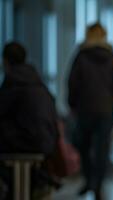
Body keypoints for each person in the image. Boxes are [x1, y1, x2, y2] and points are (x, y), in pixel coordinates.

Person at [68, 23, 113, 200]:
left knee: (83, 145)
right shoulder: (111, 56)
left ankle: (89, 180)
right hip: (105, 111)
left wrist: (72, 105)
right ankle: (97, 185)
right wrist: (110, 102)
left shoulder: (81, 55)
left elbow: (72, 82)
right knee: (102, 150)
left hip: (84, 109)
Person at [0, 42, 59, 199]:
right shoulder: (39, 84)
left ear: (5, 61)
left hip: (26, 143)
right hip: (47, 143)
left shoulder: (12, 82)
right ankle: (37, 181)